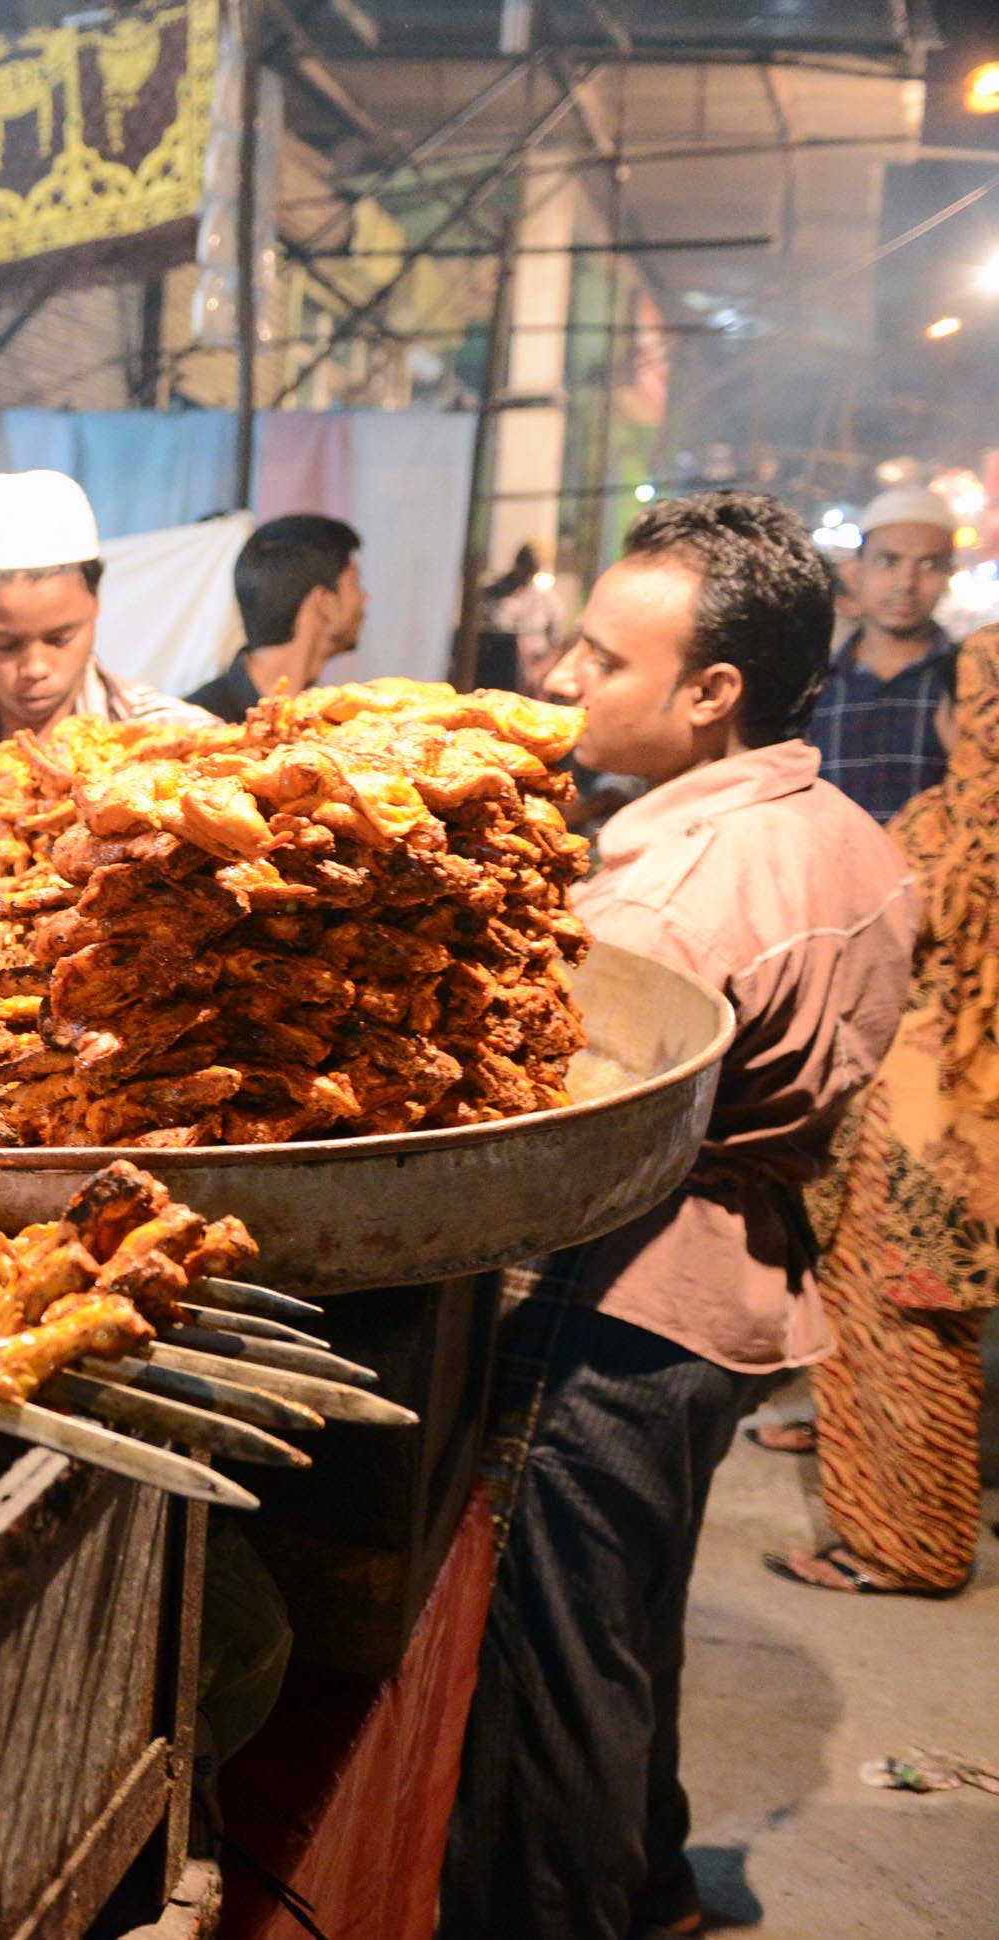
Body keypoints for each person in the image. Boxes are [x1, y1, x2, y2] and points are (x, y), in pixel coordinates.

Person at [441, 493, 916, 1940]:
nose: (561, 683)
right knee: (629, 1623)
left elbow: (553, 1135)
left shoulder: (679, 890)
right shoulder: (843, 834)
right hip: (730, 1295)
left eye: (603, 662)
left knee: (554, 1670)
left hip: (622, 1300)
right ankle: (653, 1891)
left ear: (713, 692)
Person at [765, 620, 999, 1597]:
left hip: (941, 1133)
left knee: (912, 1332)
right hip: (919, 1117)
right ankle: (866, 1489)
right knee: (871, 1310)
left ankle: (914, 1545)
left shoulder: (961, 831)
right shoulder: (950, 819)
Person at [0, 471, 210, 885]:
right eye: (5, 644)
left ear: (95, 604)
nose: (35, 667)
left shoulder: (183, 744)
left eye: (60, 638)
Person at [808, 484, 961, 821]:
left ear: (948, 575)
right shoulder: (813, 687)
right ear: (856, 571)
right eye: (888, 561)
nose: (906, 582)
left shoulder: (970, 686)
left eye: (928, 565)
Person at [186, 513, 366, 723]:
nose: (364, 598)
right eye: (354, 584)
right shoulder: (195, 727)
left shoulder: (332, 723)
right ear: (325, 602)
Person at [484, 541, 567, 696]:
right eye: (526, 567)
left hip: (531, 676)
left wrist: (540, 671)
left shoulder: (547, 599)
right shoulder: (492, 593)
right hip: (495, 671)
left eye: (533, 570)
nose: (527, 575)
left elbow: (557, 642)